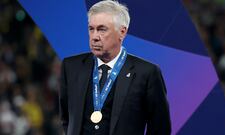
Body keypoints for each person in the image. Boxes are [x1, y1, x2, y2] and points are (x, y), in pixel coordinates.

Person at [59, 0, 171, 135]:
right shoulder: (71, 67)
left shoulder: (147, 73)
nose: (94, 37)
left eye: (102, 29)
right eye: (91, 29)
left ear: (122, 32)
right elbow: (66, 119)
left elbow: (160, 129)